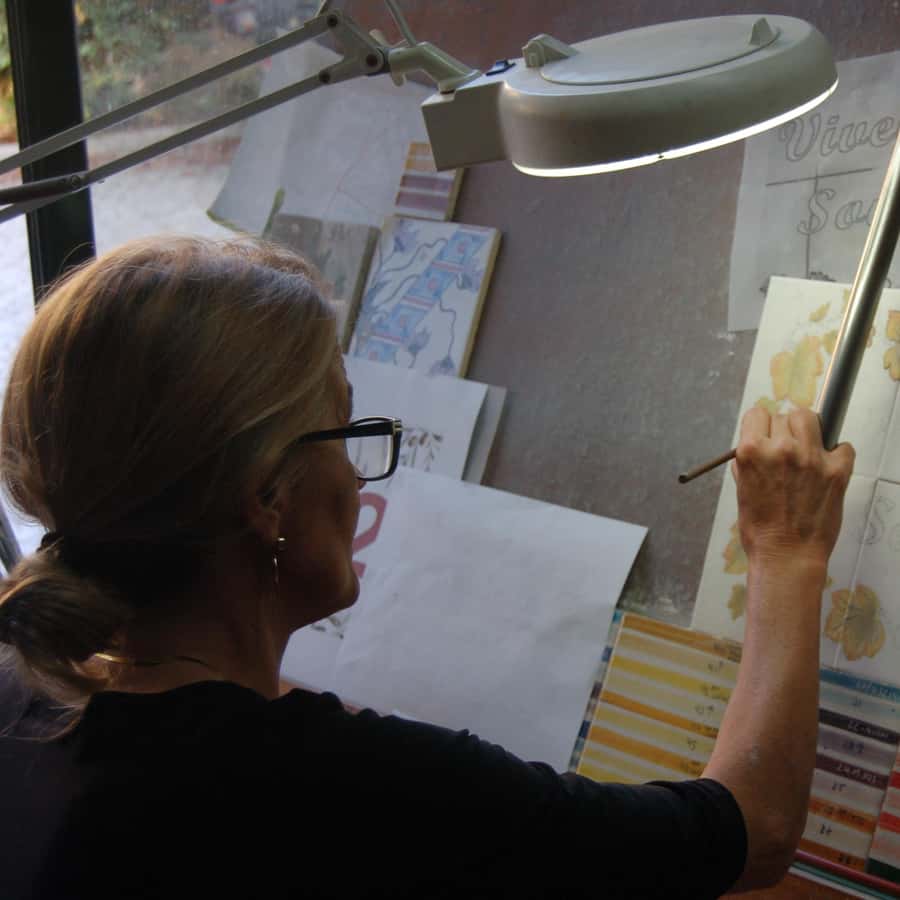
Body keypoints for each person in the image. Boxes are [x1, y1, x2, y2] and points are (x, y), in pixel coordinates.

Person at [0, 236, 854, 899]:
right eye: (345, 431)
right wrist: (787, 554)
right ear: (268, 497)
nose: (357, 479)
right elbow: (753, 830)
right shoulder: (347, 791)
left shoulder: (33, 699)